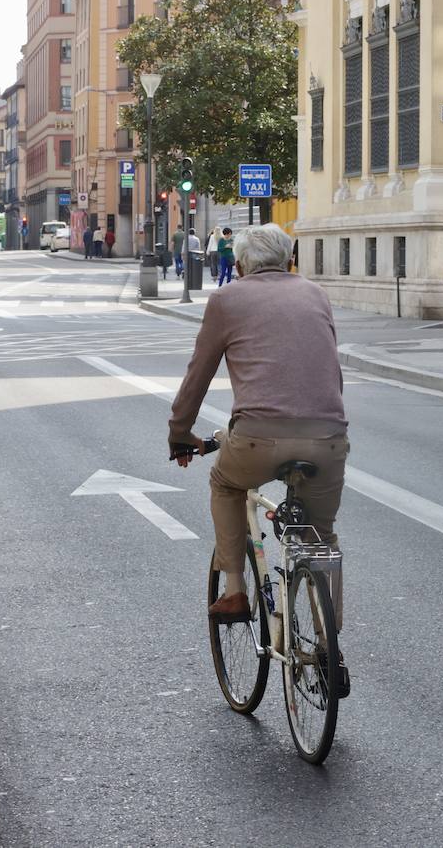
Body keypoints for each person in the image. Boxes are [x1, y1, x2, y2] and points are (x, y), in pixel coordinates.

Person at [168, 223, 351, 693]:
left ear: (242, 264)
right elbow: (330, 370)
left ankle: (233, 591)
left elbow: (198, 375)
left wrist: (180, 432)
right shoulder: (316, 295)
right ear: (290, 260)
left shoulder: (227, 300)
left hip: (255, 439)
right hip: (329, 437)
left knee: (225, 485)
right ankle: (328, 642)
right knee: (320, 536)